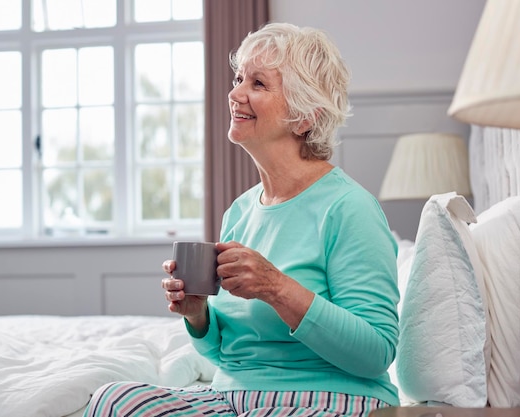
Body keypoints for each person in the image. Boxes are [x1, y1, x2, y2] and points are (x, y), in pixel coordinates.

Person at [84, 22, 400, 417]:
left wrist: (278, 288)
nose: (235, 94)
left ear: (304, 117)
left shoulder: (349, 207)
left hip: (324, 399)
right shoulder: (239, 211)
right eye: (238, 79)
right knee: (115, 400)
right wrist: (198, 315)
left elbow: (377, 352)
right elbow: (227, 352)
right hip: (234, 397)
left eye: (258, 84)